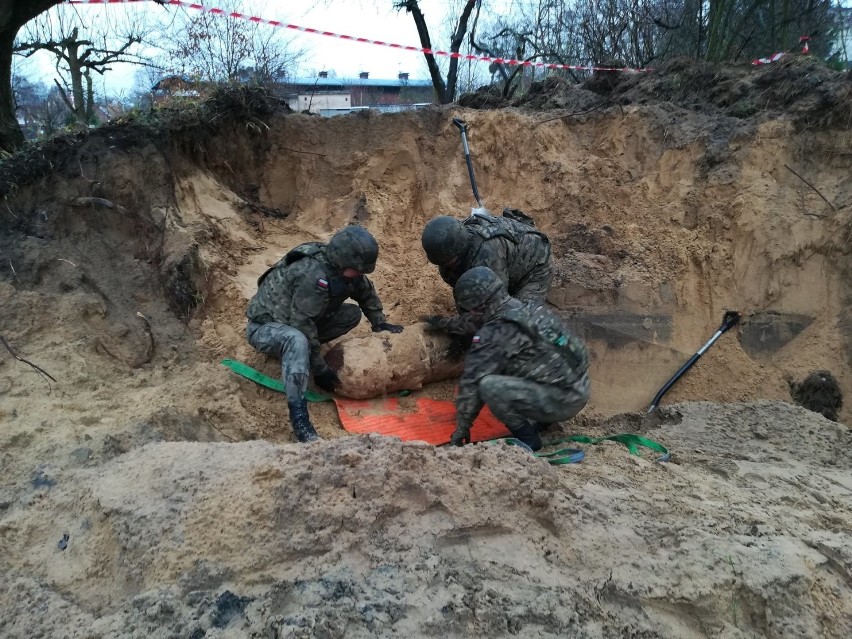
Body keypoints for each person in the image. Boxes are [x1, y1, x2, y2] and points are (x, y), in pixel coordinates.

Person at [245, 225, 403, 443]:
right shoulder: (313, 275)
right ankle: (300, 418)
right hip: (266, 328)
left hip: (298, 318)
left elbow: (365, 291)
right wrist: (319, 369)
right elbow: (302, 325)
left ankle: (300, 354)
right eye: (357, 270)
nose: (359, 274)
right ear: (343, 262)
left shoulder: (344, 270)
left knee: (351, 314)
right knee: (297, 340)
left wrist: (380, 323)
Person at [449, 266, 589, 451]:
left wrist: (462, 428)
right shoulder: (535, 308)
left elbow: (472, 387)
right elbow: (575, 349)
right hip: (582, 387)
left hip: (562, 402)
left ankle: (528, 439)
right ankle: (544, 420)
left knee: (489, 385)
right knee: (526, 364)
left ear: (478, 308)